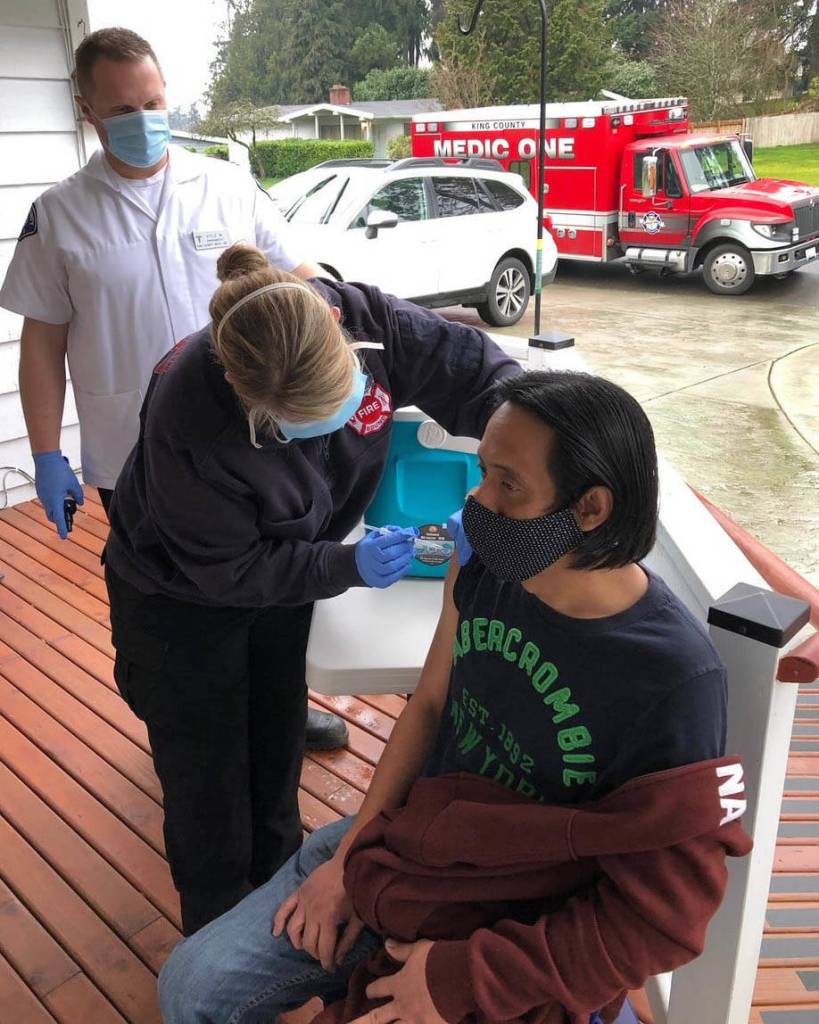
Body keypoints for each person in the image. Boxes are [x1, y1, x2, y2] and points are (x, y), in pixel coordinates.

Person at [157, 369, 733, 1024]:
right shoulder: (486, 561)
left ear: (591, 509)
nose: (479, 502)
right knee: (191, 989)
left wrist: (465, 976)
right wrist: (348, 861)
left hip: (516, 919)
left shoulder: (674, 681)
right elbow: (429, 706)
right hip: (409, 848)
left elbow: (661, 918)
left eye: (507, 484)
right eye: (481, 471)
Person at [102, 241, 519, 936]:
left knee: (274, 744)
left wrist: (506, 470)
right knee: (207, 782)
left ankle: (276, 906)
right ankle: (215, 949)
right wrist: (344, 567)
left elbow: (480, 374)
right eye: (295, 429)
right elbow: (228, 570)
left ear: (343, 335)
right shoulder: (190, 414)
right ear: (240, 389)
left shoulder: (371, 320)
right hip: (178, 596)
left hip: (284, 577)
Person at [0, 26, 347, 750]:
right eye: (123, 109)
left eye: (154, 102)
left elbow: (299, 278)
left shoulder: (224, 185)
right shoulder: (59, 213)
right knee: (170, 601)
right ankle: (190, 730)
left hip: (253, 445)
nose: (144, 120)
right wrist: (46, 454)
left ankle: (282, 706)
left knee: (277, 586)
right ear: (85, 109)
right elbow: (43, 343)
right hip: (132, 456)